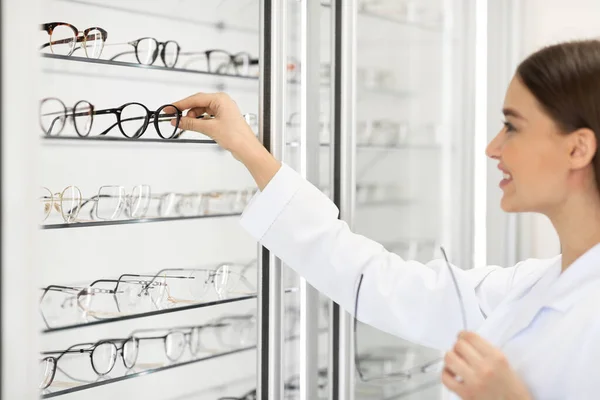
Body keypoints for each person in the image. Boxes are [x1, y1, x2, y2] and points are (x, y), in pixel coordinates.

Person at [171, 39, 600, 399]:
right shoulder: (531, 288)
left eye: (512, 126)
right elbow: (379, 282)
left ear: (578, 149)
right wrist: (249, 149)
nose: (493, 148)